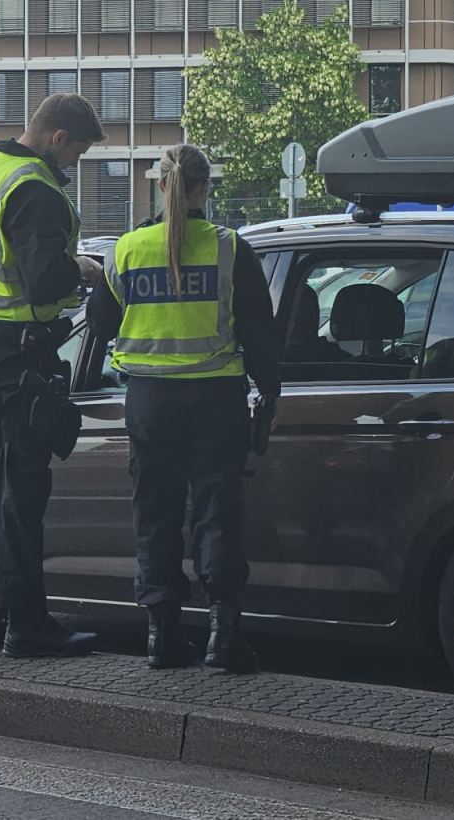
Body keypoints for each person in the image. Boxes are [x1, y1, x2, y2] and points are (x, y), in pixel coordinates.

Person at [86, 144, 280, 672]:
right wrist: (270, 392)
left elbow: (100, 325)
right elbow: (260, 334)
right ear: (204, 188)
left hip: (150, 403)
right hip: (217, 400)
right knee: (218, 514)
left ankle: (161, 636)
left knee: (156, 515)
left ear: (160, 185)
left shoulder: (127, 249)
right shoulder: (230, 249)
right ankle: (223, 635)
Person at [0, 92, 107, 658]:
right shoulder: (34, 187)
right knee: (22, 493)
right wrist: (81, 269)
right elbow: (44, 280)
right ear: (57, 137)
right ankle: (27, 627)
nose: (75, 163)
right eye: (77, 152)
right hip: (19, 354)